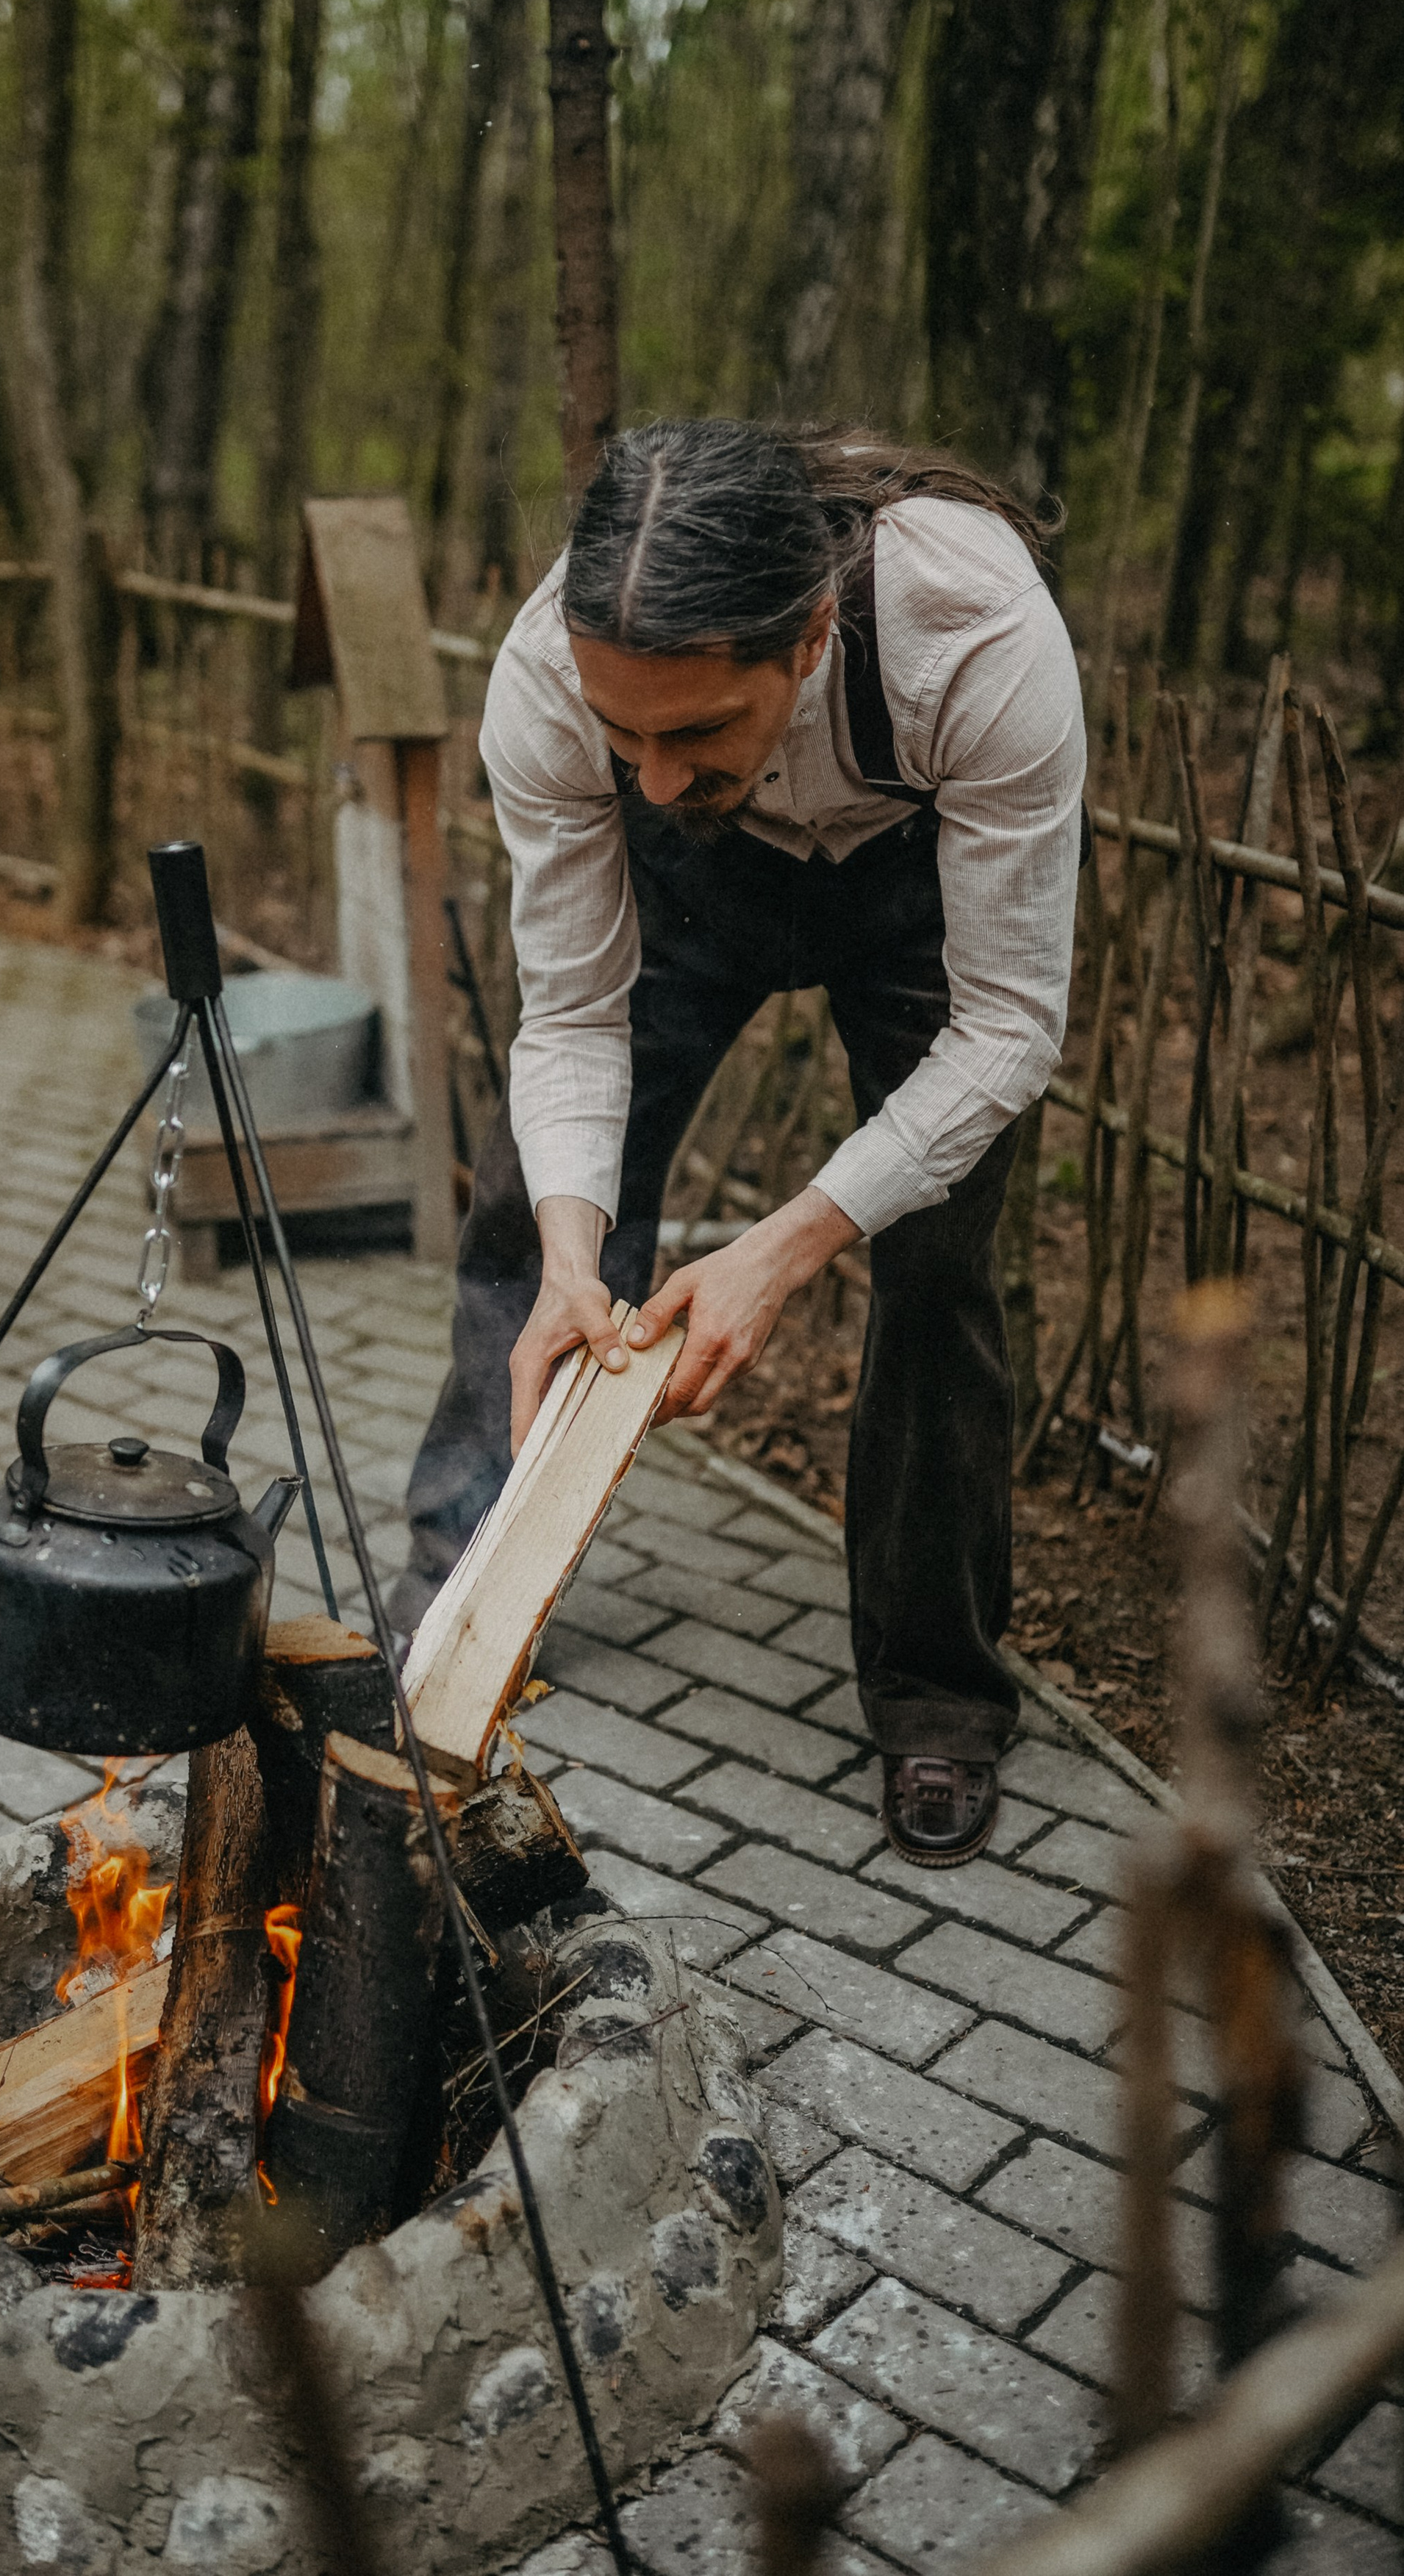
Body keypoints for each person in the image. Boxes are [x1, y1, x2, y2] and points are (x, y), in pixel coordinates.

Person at [390, 419, 1086, 1867]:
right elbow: (573, 1014)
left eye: (692, 727)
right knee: (535, 1221)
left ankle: (936, 1696)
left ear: (811, 634)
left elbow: (1008, 1035)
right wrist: (580, 1252)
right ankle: (468, 1588)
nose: (645, 770)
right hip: (691, 899)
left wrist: (783, 1246)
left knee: (939, 1270)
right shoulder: (543, 683)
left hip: (915, 890)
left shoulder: (976, 635)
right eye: (619, 729)